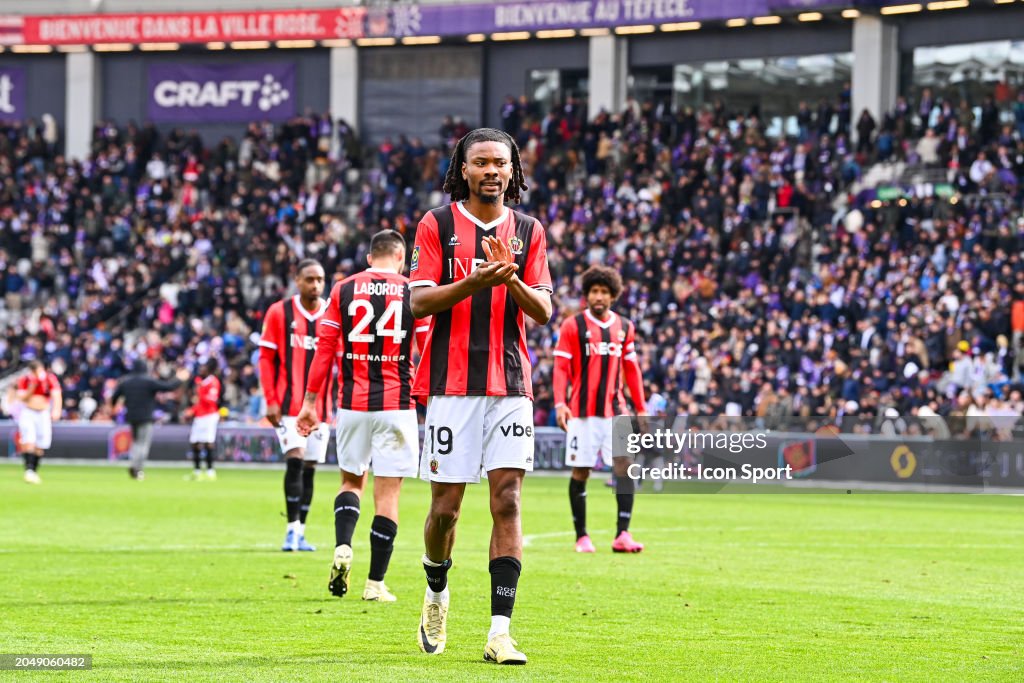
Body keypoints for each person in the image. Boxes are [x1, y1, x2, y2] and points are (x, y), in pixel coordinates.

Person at [408, 128, 552, 664]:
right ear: (463, 170)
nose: (492, 170)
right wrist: (476, 280)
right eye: (481, 162)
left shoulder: (530, 230)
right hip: (451, 386)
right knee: (445, 510)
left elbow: (542, 311)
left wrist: (508, 279)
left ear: (513, 171)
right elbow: (420, 304)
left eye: (501, 163)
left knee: (508, 500)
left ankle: (499, 632)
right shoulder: (437, 224)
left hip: (511, 385)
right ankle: (437, 590)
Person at [297, 231, 424, 602]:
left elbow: (324, 350)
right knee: (388, 496)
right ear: (400, 258)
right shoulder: (411, 290)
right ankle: (374, 584)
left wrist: (309, 402)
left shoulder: (343, 289)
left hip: (352, 404)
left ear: (371, 258)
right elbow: (425, 348)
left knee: (351, 483)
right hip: (397, 405)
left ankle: (342, 546)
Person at [553, 265, 648, 554]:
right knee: (580, 471)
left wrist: (641, 408)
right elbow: (561, 368)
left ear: (613, 296)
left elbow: (632, 370)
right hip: (582, 412)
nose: (598, 296)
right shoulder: (572, 326)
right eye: (594, 291)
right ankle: (582, 536)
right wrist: (560, 403)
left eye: (604, 292)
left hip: (615, 410)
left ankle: (623, 534)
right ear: (586, 294)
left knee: (625, 468)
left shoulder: (625, 328)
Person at [259, 259, 334, 552]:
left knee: (310, 468)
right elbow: (266, 359)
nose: (315, 285)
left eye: (320, 279)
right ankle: (291, 530)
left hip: (322, 409)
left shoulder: (333, 312)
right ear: (297, 280)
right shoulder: (280, 312)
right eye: (309, 279)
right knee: (295, 459)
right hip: (289, 406)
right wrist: (270, 400)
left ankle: (301, 530)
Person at [111, 360, 191, 480]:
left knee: (135, 442)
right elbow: (168, 387)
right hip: (145, 417)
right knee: (143, 444)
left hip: (132, 416)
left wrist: (114, 406)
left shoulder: (126, 381)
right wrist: (180, 378)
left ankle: (134, 465)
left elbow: (114, 396)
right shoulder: (148, 381)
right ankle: (137, 468)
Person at [15, 360, 62, 484]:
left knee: (41, 444)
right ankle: (29, 470)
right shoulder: (25, 380)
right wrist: (32, 386)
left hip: (43, 413)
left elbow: (56, 394)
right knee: (29, 439)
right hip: (28, 412)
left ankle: (33, 471)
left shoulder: (49, 379)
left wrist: (56, 410)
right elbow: (22, 398)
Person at [187, 359, 222, 480]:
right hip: (199, 415)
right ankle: (197, 471)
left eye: (203, 367)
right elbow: (197, 401)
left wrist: (200, 392)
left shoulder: (212, 382)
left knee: (208, 442)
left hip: (209, 415)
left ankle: (210, 472)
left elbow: (212, 399)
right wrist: (192, 410)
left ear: (208, 369)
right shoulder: (200, 382)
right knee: (195, 442)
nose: (200, 369)